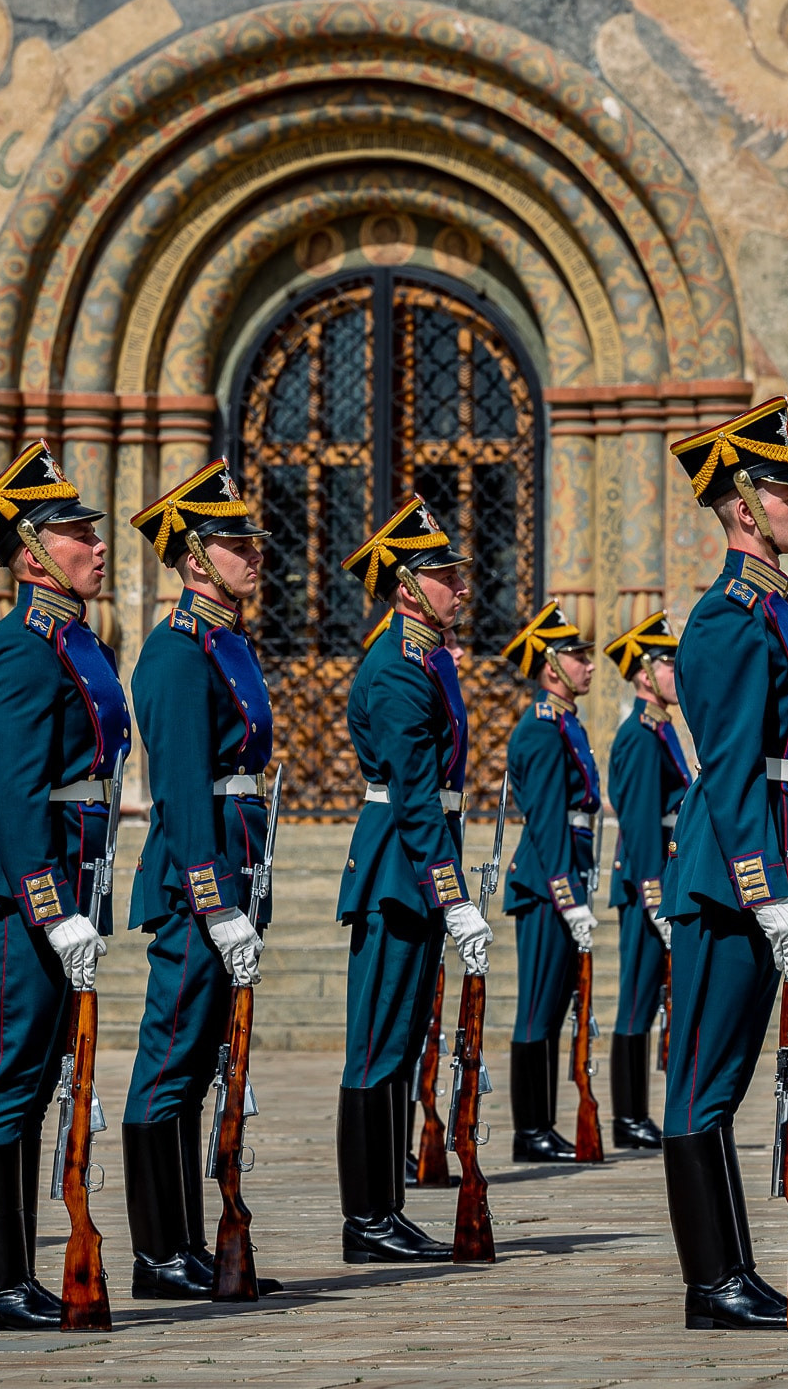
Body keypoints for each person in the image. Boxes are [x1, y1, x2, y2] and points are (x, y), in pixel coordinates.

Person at [0, 442, 127, 1329]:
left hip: (65, 884)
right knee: (7, 1076)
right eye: (76, 533)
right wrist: (52, 908)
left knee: (38, 1072)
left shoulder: (72, 639)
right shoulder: (20, 649)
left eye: (93, 531)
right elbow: (13, 794)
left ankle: (19, 1271)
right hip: (20, 895)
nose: (96, 544)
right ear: (30, 553)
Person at [658, 395, 788, 1329]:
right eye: (787, 493)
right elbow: (728, 771)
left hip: (762, 873)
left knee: (722, 1081)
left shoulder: (770, 611)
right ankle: (710, 1278)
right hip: (728, 885)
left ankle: (733, 1272)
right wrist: (767, 894)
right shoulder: (725, 618)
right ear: (746, 506)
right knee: (703, 1082)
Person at [119, 461, 278, 1299]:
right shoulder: (177, 654)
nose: (255, 555)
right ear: (192, 558)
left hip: (234, 869)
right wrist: (215, 903)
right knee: (170, 1061)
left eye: (251, 542)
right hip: (195, 883)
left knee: (202, 1058)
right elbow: (180, 788)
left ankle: (190, 1241)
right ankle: (158, 1251)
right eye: (234, 544)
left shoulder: (225, 642)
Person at [335, 497, 484, 1263]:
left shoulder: (423, 657)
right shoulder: (397, 669)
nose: (460, 587)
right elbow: (416, 794)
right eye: (443, 576)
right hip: (400, 868)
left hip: (415, 864)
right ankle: (367, 1217)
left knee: (399, 1043)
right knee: (377, 1047)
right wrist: (453, 895)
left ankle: (384, 1206)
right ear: (405, 586)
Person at [500, 600, 603, 1163]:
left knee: (556, 1002)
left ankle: (543, 1124)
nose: (588, 667)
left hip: (566, 875)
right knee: (537, 1009)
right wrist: (568, 896)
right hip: (544, 884)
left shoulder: (567, 723)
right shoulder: (540, 730)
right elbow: (545, 820)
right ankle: (529, 1128)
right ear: (549, 665)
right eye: (576, 658)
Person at [602, 610, 687, 1149]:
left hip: (659, 877)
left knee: (648, 998)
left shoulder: (659, 730)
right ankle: (628, 1117)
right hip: (643, 884)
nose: (676, 673)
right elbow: (637, 824)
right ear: (643, 674)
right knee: (635, 1000)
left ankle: (636, 1115)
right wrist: (656, 898)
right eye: (668, 665)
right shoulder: (638, 735)